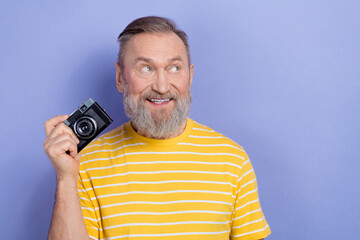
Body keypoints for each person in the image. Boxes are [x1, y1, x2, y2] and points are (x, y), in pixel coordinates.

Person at [44, 16, 271, 240]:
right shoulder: (85, 164)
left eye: (174, 68)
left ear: (190, 76)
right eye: (146, 69)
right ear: (120, 78)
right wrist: (65, 177)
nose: (162, 87)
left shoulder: (232, 161)